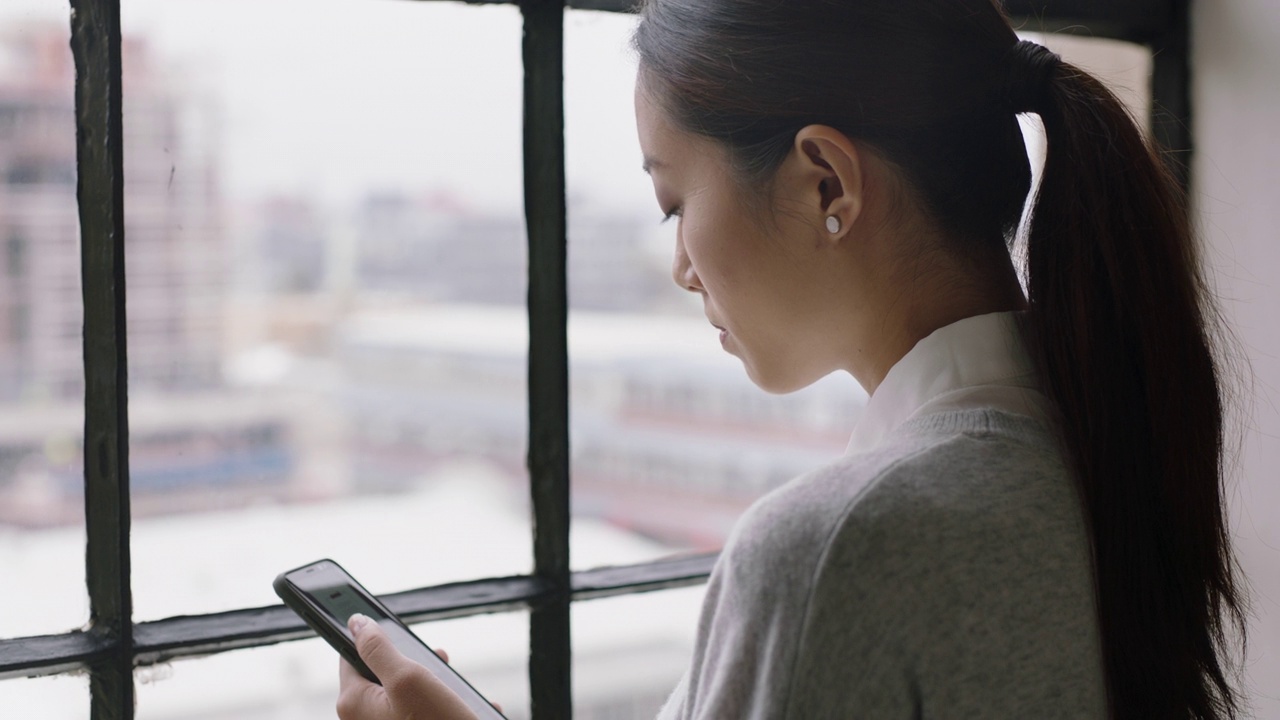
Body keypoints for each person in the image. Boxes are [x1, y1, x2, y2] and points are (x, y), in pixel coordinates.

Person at [336, 0, 1248, 717]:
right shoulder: (1115, 443)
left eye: (673, 201)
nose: (682, 267)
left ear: (827, 182)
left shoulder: (840, 545)